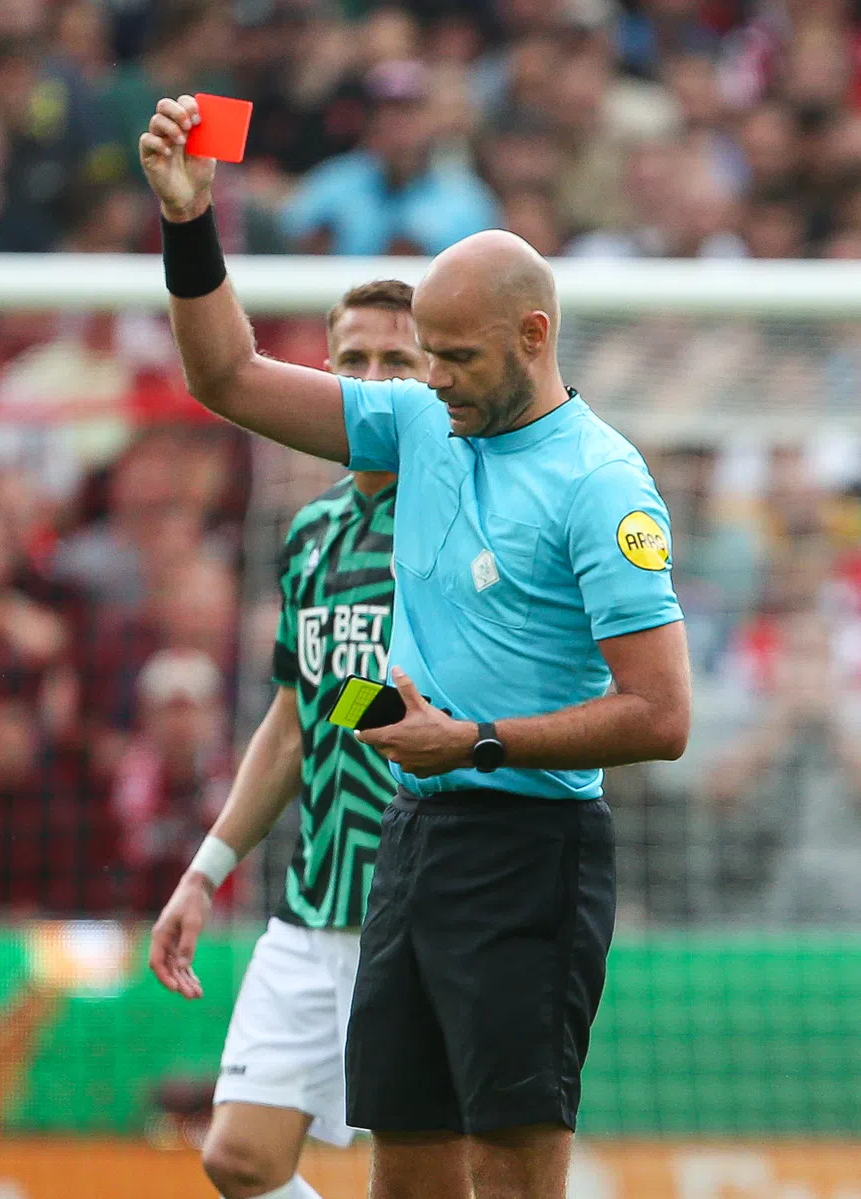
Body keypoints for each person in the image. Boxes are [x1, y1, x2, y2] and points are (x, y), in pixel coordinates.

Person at [140, 97, 692, 1199]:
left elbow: (661, 715)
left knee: (512, 1171)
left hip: (531, 850)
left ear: (532, 337)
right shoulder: (416, 423)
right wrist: (189, 225)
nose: (427, 377)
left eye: (452, 356)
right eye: (420, 356)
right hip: (413, 838)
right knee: (407, 1165)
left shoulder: (599, 482)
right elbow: (225, 378)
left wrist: (476, 739)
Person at [148, 278, 433, 1199]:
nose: (374, 378)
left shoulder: (452, 519)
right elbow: (290, 718)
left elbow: (407, 702)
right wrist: (205, 869)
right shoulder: (310, 533)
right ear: (325, 370)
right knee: (237, 1158)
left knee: (426, 1177)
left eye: (398, 359)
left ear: (434, 375)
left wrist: (347, 702)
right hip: (313, 903)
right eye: (354, 359)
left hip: (421, 903)